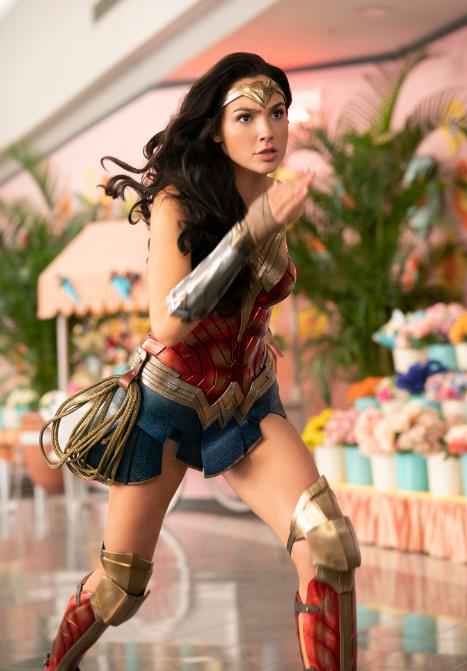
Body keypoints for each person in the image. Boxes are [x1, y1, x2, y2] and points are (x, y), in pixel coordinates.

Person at [42, 52, 360, 671]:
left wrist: (263, 228)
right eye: (246, 117)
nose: (267, 130)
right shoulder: (177, 201)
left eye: (278, 113)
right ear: (215, 129)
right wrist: (250, 232)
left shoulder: (272, 195)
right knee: (119, 587)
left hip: (247, 404)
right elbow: (168, 322)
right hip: (167, 406)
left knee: (329, 547)